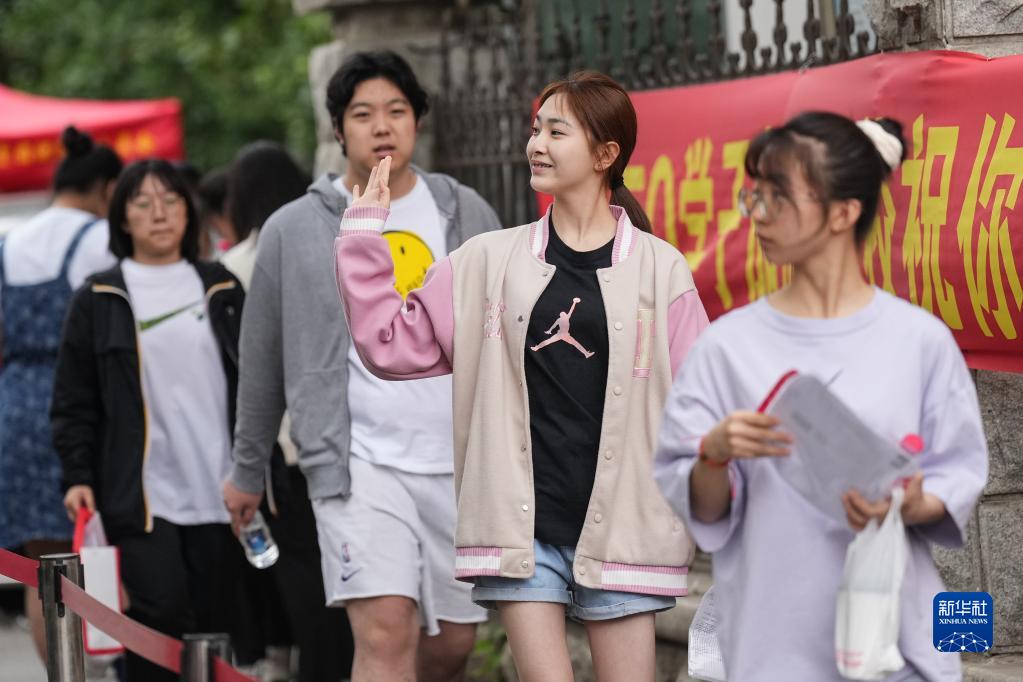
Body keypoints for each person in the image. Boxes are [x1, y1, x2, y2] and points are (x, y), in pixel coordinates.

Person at [334, 71, 709, 681]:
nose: (536, 144)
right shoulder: (486, 259)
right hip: (521, 529)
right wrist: (362, 241)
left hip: (625, 525)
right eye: (537, 129)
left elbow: (702, 402)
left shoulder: (660, 270)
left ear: (605, 155)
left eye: (557, 132)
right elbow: (390, 345)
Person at [653, 112, 989, 681]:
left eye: (778, 196)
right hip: (771, 646)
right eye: (754, 194)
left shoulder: (920, 342)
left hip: (892, 645)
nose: (757, 213)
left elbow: (957, 474)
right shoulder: (725, 347)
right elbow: (702, 509)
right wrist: (714, 453)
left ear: (843, 212)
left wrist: (908, 503)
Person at [221, 50, 501, 682]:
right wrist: (246, 468)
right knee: (384, 631)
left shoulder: (466, 212)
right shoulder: (294, 228)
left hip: (457, 463)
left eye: (396, 111)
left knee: (454, 646)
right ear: (338, 129)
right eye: (363, 114)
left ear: (418, 122)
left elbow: (505, 330)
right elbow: (262, 358)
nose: (381, 127)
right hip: (356, 464)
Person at [52, 159, 246, 682]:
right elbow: (73, 400)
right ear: (123, 217)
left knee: (214, 624)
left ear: (189, 211)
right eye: (143, 203)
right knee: (157, 615)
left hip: (221, 488)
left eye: (171, 200)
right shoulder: (98, 297)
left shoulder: (221, 286)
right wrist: (77, 475)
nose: (159, 213)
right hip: (139, 496)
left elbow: (255, 383)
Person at [222, 140, 354, 682]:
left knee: (303, 584)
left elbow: (246, 369)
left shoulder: (232, 267)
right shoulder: (333, 244)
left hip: (281, 451)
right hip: (343, 438)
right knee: (347, 581)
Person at [0, 125, 122, 661]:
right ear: (108, 188)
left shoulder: (10, 241)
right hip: (79, 402)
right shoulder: (99, 238)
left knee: (41, 566)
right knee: (103, 547)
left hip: (15, 403)